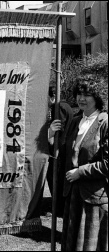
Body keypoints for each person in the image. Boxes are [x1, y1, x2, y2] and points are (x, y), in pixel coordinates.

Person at [49, 76, 108, 251]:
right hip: (73, 195)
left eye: (87, 94)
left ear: (97, 97)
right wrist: (51, 136)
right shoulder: (76, 121)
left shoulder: (105, 123)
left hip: (94, 197)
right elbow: (63, 156)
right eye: (79, 94)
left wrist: (80, 172)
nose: (81, 99)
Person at [47, 86, 74, 217]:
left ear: (51, 96)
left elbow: (59, 130)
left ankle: (59, 208)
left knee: (56, 179)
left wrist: (53, 146)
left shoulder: (59, 107)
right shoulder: (63, 106)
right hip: (63, 149)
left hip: (60, 149)